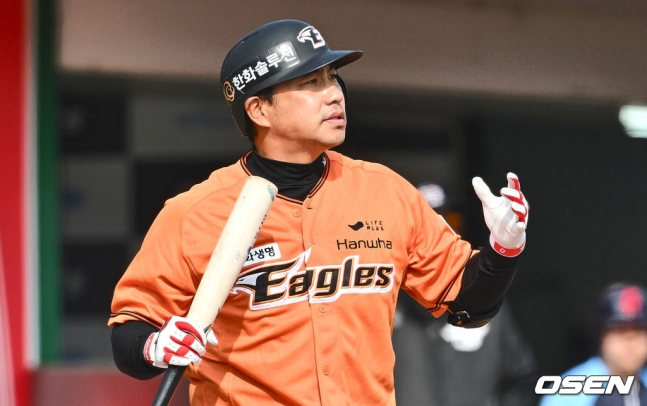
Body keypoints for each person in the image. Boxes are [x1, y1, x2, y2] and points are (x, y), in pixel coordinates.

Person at [108, 19, 530, 405]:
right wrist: (155, 346)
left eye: (332, 77)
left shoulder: (384, 191)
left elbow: (467, 305)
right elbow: (131, 327)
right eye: (311, 82)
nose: (334, 93)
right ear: (259, 110)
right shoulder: (195, 212)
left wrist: (502, 249)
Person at [392, 183, 538, 406]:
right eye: (427, 225)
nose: (441, 233)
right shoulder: (384, 303)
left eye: (452, 221)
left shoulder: (486, 302)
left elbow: (521, 378)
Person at [539, 283, 647, 406]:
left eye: (638, 332)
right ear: (601, 337)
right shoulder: (568, 391)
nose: (630, 343)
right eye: (619, 331)